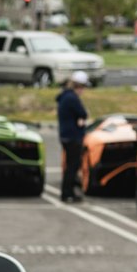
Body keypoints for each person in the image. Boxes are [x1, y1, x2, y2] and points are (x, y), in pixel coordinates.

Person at [56, 71, 89, 202]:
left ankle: (69, 191)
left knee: (72, 165)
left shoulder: (65, 97)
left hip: (66, 135)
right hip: (72, 137)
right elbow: (83, 114)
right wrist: (81, 120)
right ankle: (67, 193)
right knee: (72, 166)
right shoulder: (72, 98)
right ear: (79, 86)